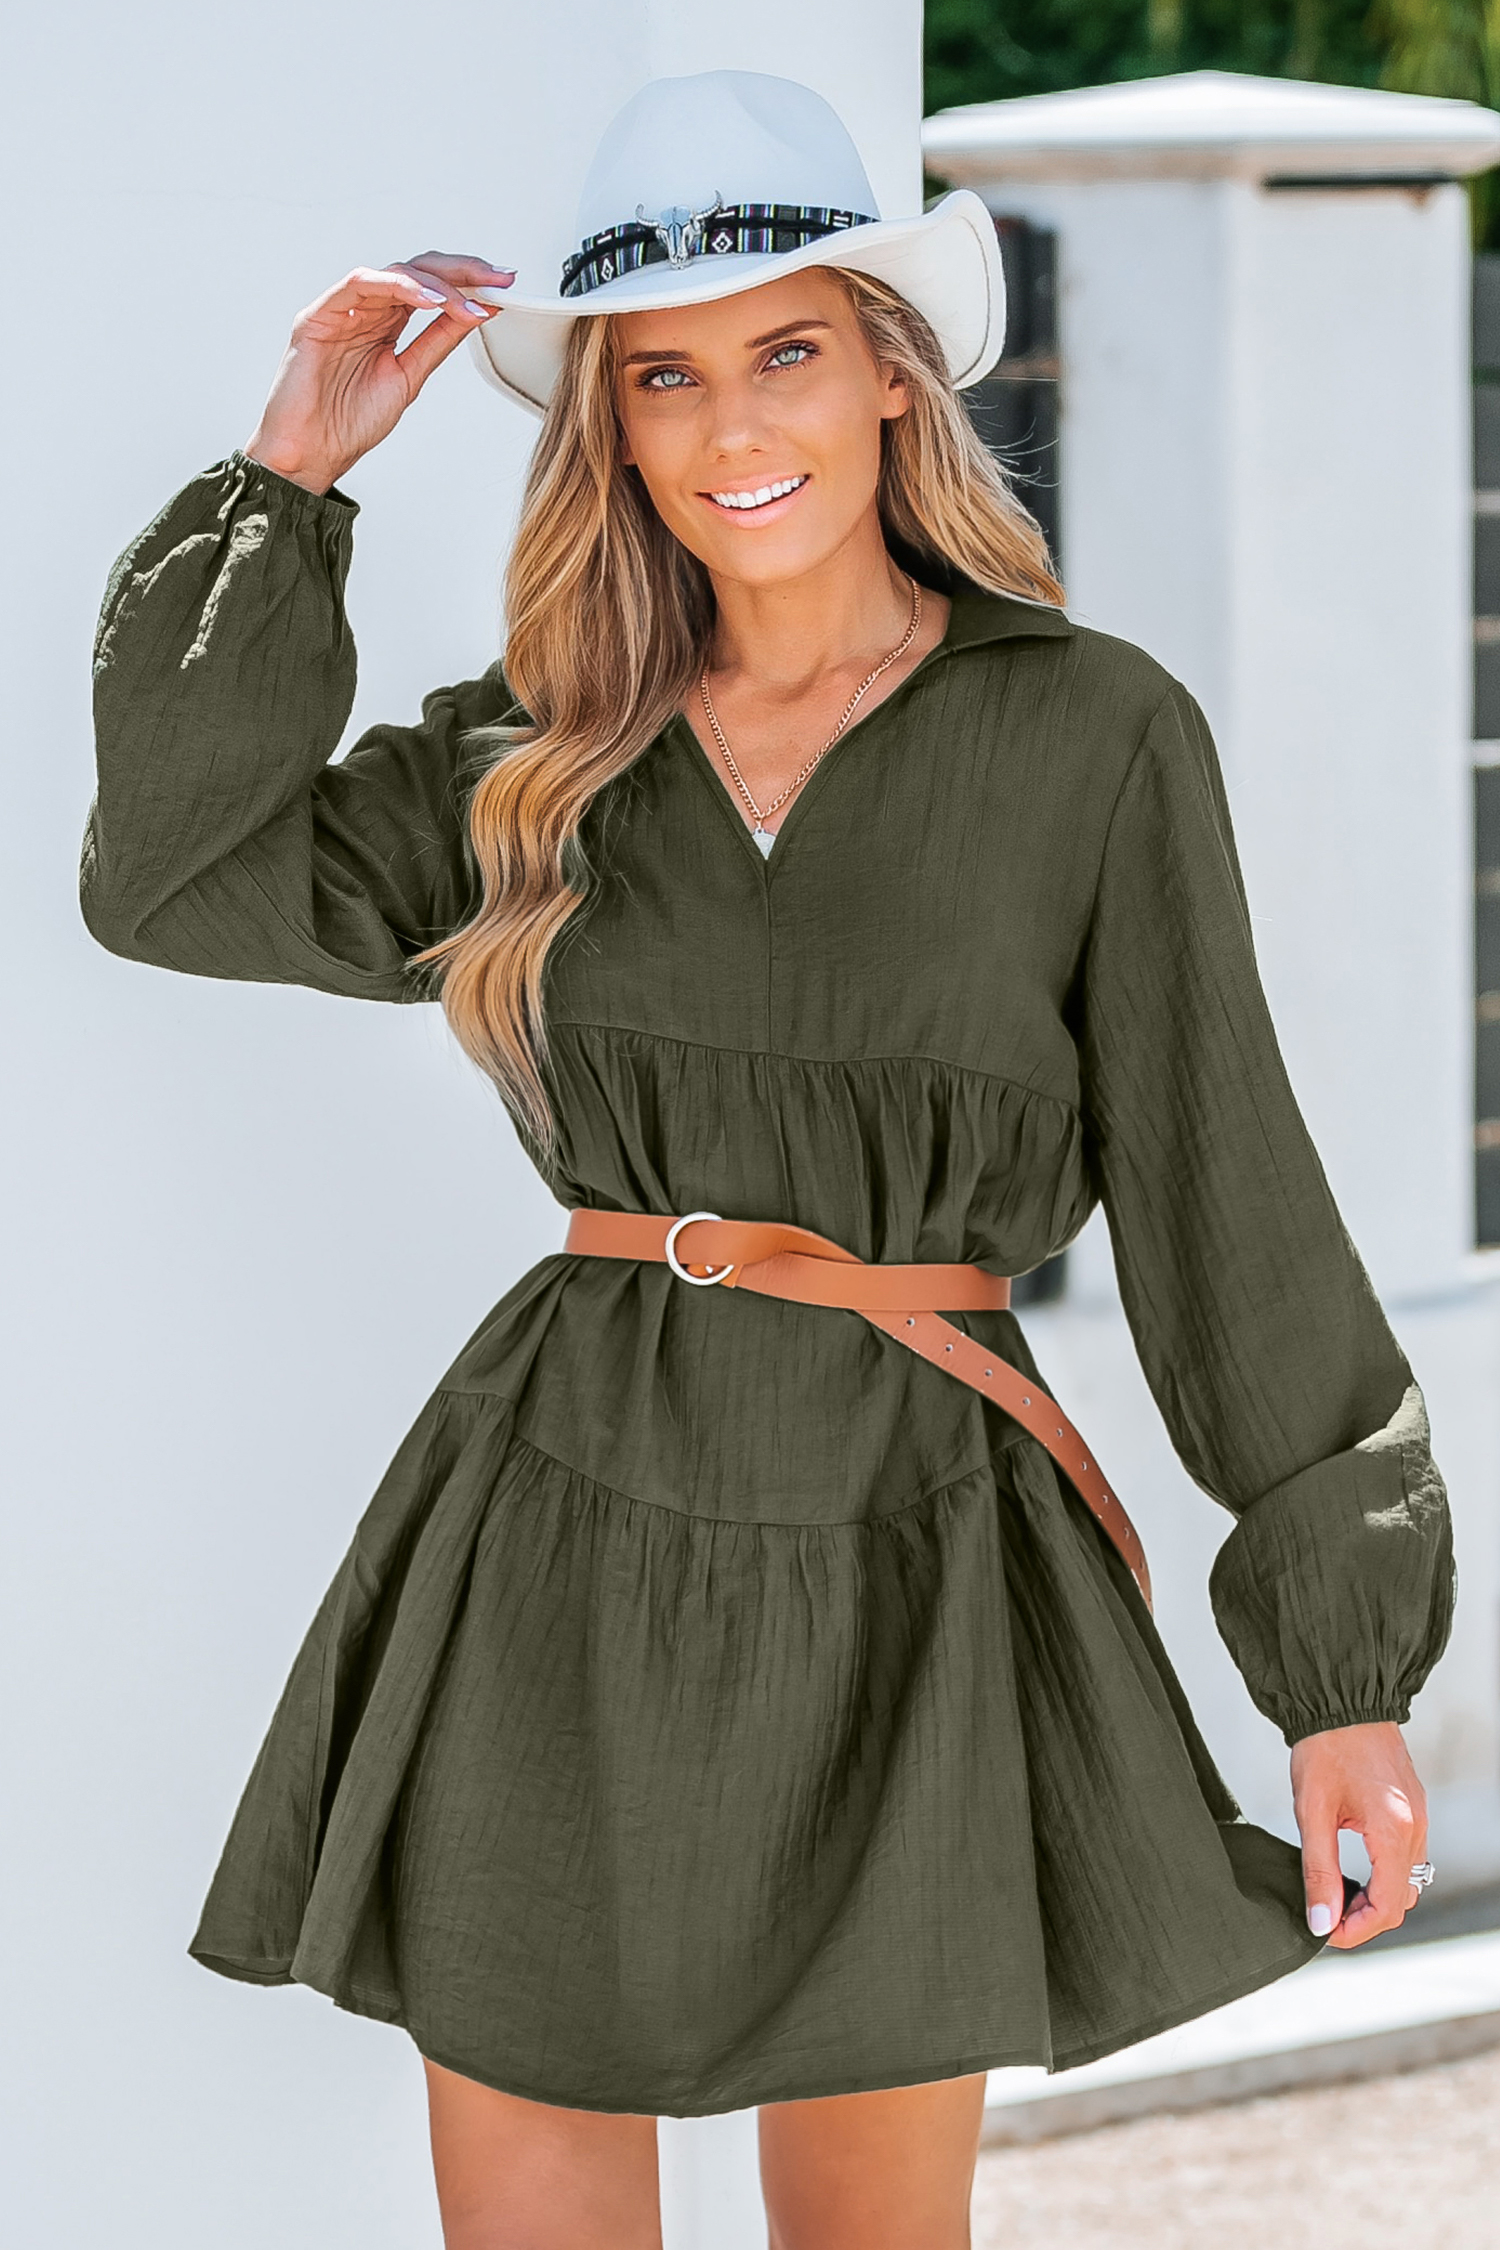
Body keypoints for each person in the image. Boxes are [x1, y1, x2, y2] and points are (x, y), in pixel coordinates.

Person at [83, 67, 1451, 2250]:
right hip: (555, 1533)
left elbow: (1231, 1206)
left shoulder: (1088, 736)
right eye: (666, 377)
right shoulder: (537, 755)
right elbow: (175, 876)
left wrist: (1341, 1677)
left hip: (917, 1552)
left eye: (787, 350)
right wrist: (293, 474)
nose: (734, 427)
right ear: (611, 427)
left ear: (894, 374)